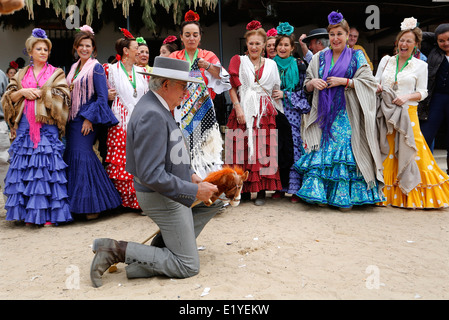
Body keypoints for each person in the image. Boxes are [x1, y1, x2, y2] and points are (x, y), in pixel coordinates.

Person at [90, 56, 222, 288]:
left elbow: (171, 152)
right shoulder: (152, 113)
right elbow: (151, 175)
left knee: (217, 200)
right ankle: (115, 249)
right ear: (165, 85)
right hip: (161, 196)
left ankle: (158, 251)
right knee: (188, 265)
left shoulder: (157, 105)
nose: (186, 91)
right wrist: (193, 190)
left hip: (169, 189)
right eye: (183, 85)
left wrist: (191, 175)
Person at [294, 11, 384, 211]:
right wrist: (312, 84)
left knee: (345, 151)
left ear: (346, 36)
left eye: (339, 34)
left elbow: (370, 82)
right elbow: (307, 84)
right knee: (324, 150)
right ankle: (321, 195)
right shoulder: (319, 58)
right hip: (323, 114)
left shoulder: (356, 56)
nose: (335, 38)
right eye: (332, 34)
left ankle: (345, 197)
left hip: (348, 113)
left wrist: (346, 81)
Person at [375, 18, 449, 209]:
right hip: (387, 113)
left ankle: (419, 194)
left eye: (408, 41)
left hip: (409, 114)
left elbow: (423, 92)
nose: (404, 44)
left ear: (416, 45)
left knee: (415, 152)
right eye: (401, 40)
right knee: (388, 153)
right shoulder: (386, 61)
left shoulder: (421, 66)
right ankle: (387, 195)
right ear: (397, 42)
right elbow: (375, 82)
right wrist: (379, 88)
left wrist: (407, 96)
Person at [1, 28, 72, 225]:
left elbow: (65, 96)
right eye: (39, 49)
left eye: (46, 50)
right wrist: (23, 91)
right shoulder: (21, 74)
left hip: (46, 129)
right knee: (25, 169)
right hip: (24, 129)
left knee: (45, 170)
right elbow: (8, 98)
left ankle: (49, 215)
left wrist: (43, 93)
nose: (43, 52)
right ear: (30, 52)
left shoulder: (56, 73)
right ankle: (28, 216)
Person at [64, 25, 122, 220]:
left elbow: (102, 96)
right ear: (75, 47)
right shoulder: (74, 68)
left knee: (83, 157)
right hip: (72, 121)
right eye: (81, 45)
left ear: (93, 48)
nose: (84, 49)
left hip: (87, 119)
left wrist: (89, 119)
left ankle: (95, 205)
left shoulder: (95, 67)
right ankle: (77, 207)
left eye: (88, 45)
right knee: (73, 157)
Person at [225, 20, 283, 206]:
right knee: (240, 149)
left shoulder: (272, 65)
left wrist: (277, 98)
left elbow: (276, 87)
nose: (254, 47)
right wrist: (237, 107)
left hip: (265, 110)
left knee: (263, 148)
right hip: (243, 107)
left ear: (264, 45)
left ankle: (261, 191)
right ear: (246, 44)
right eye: (251, 43)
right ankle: (238, 189)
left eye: (258, 43)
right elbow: (231, 86)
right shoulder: (239, 61)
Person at [169, 10, 230, 178]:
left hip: (204, 111)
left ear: (200, 37)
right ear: (181, 37)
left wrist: (208, 66)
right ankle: (186, 188)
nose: (191, 38)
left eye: (195, 35)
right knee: (181, 149)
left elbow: (223, 78)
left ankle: (211, 187)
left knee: (207, 149)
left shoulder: (208, 55)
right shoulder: (175, 56)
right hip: (180, 111)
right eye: (187, 35)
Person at [103, 28, 149, 210]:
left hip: (140, 121)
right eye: (136, 47)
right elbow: (97, 92)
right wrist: (105, 94)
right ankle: (124, 201)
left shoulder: (142, 72)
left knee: (141, 160)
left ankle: (141, 201)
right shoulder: (110, 70)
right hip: (120, 121)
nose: (139, 51)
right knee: (122, 161)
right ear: (126, 51)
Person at [271, 22, 311, 203]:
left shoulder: (300, 64)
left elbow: (304, 91)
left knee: (293, 147)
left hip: (292, 110)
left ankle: (294, 188)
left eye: (286, 45)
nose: (283, 47)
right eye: (280, 44)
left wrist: (286, 94)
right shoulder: (270, 65)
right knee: (276, 146)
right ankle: (278, 186)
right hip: (274, 110)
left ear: (292, 47)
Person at [419, 23, 449, 173]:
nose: (446, 43)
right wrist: (436, 35)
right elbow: (421, 37)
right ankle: (425, 171)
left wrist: (440, 36)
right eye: (441, 40)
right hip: (436, 98)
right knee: (425, 135)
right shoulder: (433, 51)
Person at [0, 68, 10, 198]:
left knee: (4, 162)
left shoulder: (0, 74)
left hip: (0, 123)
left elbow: (7, 99)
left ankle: (10, 205)